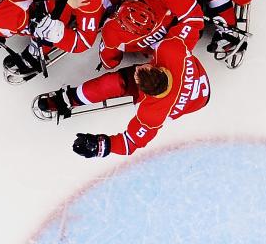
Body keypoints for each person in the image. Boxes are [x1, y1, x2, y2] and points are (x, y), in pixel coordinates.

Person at [34, 31, 211, 157]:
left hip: (191, 101)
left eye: (138, 74)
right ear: (158, 68)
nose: (138, 69)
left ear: (146, 94)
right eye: (142, 69)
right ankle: (73, 98)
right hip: (192, 76)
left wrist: (99, 145)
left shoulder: (151, 113)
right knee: (114, 82)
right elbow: (190, 27)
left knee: (113, 83)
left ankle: (72, 99)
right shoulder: (173, 50)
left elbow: (131, 143)